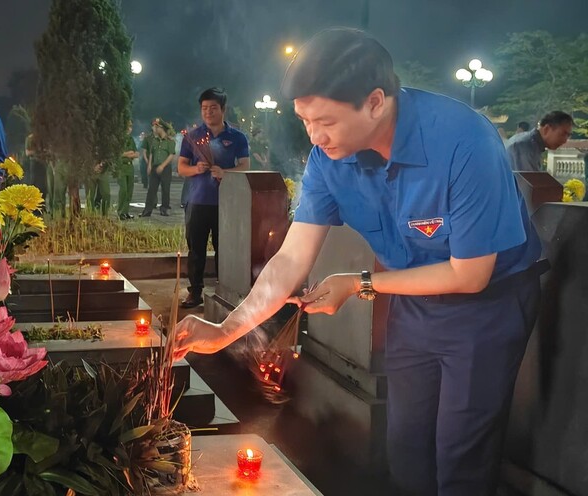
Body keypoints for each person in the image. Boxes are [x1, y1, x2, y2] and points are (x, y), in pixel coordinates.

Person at [173, 29, 542, 496]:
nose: (314, 135)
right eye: (305, 120)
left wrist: (360, 283)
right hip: (414, 303)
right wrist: (226, 330)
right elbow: (291, 258)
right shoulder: (329, 159)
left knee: (461, 455)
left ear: (375, 102)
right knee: (406, 446)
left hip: (487, 307)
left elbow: (470, 275)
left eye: (325, 120)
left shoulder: (463, 141)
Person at [177, 88, 250, 308]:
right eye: (204, 108)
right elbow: (181, 168)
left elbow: (245, 165)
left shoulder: (237, 137)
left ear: (223, 109)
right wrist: (196, 169)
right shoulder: (193, 137)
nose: (208, 112)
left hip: (225, 203)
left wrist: (226, 173)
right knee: (196, 250)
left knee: (225, 250)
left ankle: (224, 290)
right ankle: (195, 292)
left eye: (213, 108)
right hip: (197, 201)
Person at [505, 111, 573, 172]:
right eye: (562, 134)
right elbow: (528, 181)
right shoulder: (524, 146)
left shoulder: (531, 143)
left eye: (568, 135)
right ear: (546, 129)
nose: (565, 140)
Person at [141, 118, 175, 217]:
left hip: (165, 168)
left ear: (162, 128)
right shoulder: (154, 140)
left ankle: (164, 209)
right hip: (155, 167)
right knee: (151, 190)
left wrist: (162, 166)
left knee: (165, 189)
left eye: (157, 127)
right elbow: (151, 153)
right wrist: (149, 165)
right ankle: (147, 210)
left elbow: (171, 155)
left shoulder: (170, 141)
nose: (155, 129)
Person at [116, 122, 138, 220]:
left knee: (129, 191)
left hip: (130, 167)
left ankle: (126, 212)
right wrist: (128, 153)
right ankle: (120, 212)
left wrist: (127, 154)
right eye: (127, 126)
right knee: (123, 190)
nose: (129, 128)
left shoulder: (131, 139)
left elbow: (136, 154)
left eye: (130, 126)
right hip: (121, 167)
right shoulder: (119, 139)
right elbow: (117, 153)